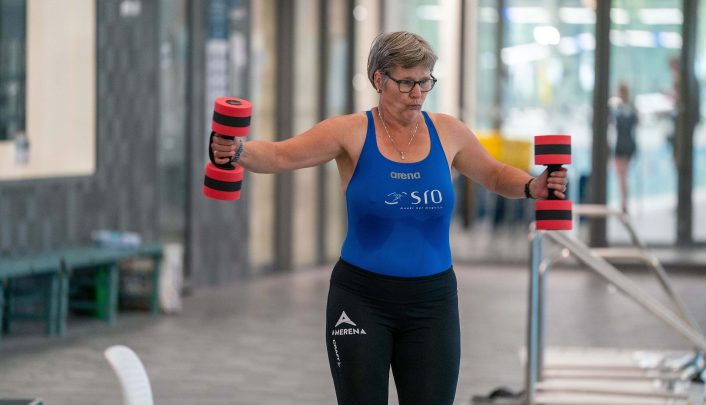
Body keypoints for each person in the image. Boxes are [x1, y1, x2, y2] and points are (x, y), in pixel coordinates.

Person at [212, 31, 567, 405]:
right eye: (407, 82)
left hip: (433, 304)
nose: (418, 93)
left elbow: (494, 174)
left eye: (425, 82)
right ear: (379, 80)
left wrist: (533, 187)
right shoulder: (349, 132)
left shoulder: (448, 131)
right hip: (361, 300)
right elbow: (281, 155)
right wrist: (237, 151)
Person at [610, 82, 638, 213]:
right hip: (628, 143)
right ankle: (624, 202)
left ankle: (624, 203)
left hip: (622, 144)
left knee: (622, 176)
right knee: (623, 176)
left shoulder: (619, 108)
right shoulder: (630, 107)